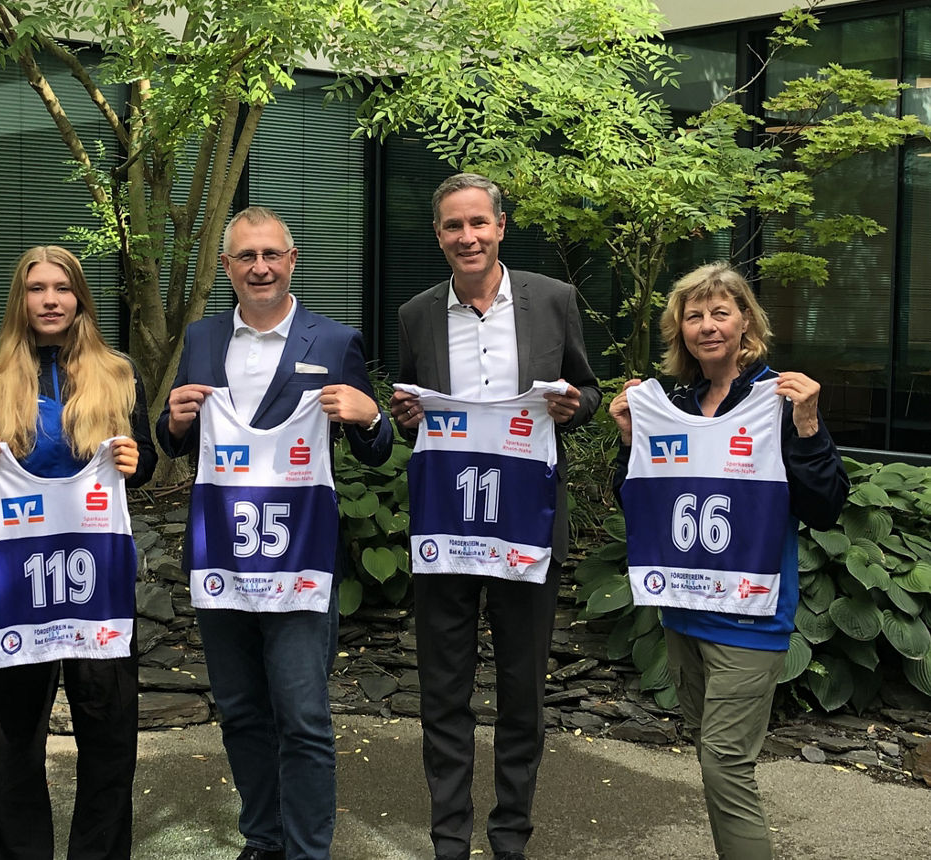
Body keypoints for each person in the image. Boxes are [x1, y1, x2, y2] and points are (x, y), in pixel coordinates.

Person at [156, 206, 392, 860]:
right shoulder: (201, 341)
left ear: (291, 261)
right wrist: (172, 423)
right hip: (222, 561)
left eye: (271, 255)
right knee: (239, 711)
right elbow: (171, 439)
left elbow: (376, 449)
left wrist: (370, 417)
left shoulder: (336, 340)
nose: (259, 267)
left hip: (300, 563)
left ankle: (307, 850)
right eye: (245, 257)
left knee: (304, 718)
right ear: (227, 267)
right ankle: (262, 839)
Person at [390, 173, 601, 860]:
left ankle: (510, 836)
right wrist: (405, 417)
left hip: (525, 528)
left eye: (478, 223)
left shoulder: (554, 300)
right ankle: (449, 838)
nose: (467, 237)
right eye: (453, 226)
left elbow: (588, 388)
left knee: (521, 694)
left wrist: (577, 405)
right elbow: (408, 412)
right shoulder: (417, 314)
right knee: (443, 694)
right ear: (439, 235)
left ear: (501, 225)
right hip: (447, 530)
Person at [608, 262, 847, 860]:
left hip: (752, 615)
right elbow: (640, 501)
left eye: (722, 312)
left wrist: (810, 428)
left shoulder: (780, 399)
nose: (708, 326)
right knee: (709, 749)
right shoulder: (666, 402)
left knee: (724, 762)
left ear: (746, 322)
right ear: (679, 329)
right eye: (695, 315)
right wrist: (631, 442)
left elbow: (824, 508)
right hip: (684, 609)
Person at [0, 245, 157, 860]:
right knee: (9, 738)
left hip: (96, 582)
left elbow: (145, 460)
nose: (50, 300)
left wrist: (136, 459)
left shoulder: (120, 374)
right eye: (37, 288)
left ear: (80, 298)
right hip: (17, 583)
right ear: (22, 300)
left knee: (109, 733)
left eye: (63, 288)